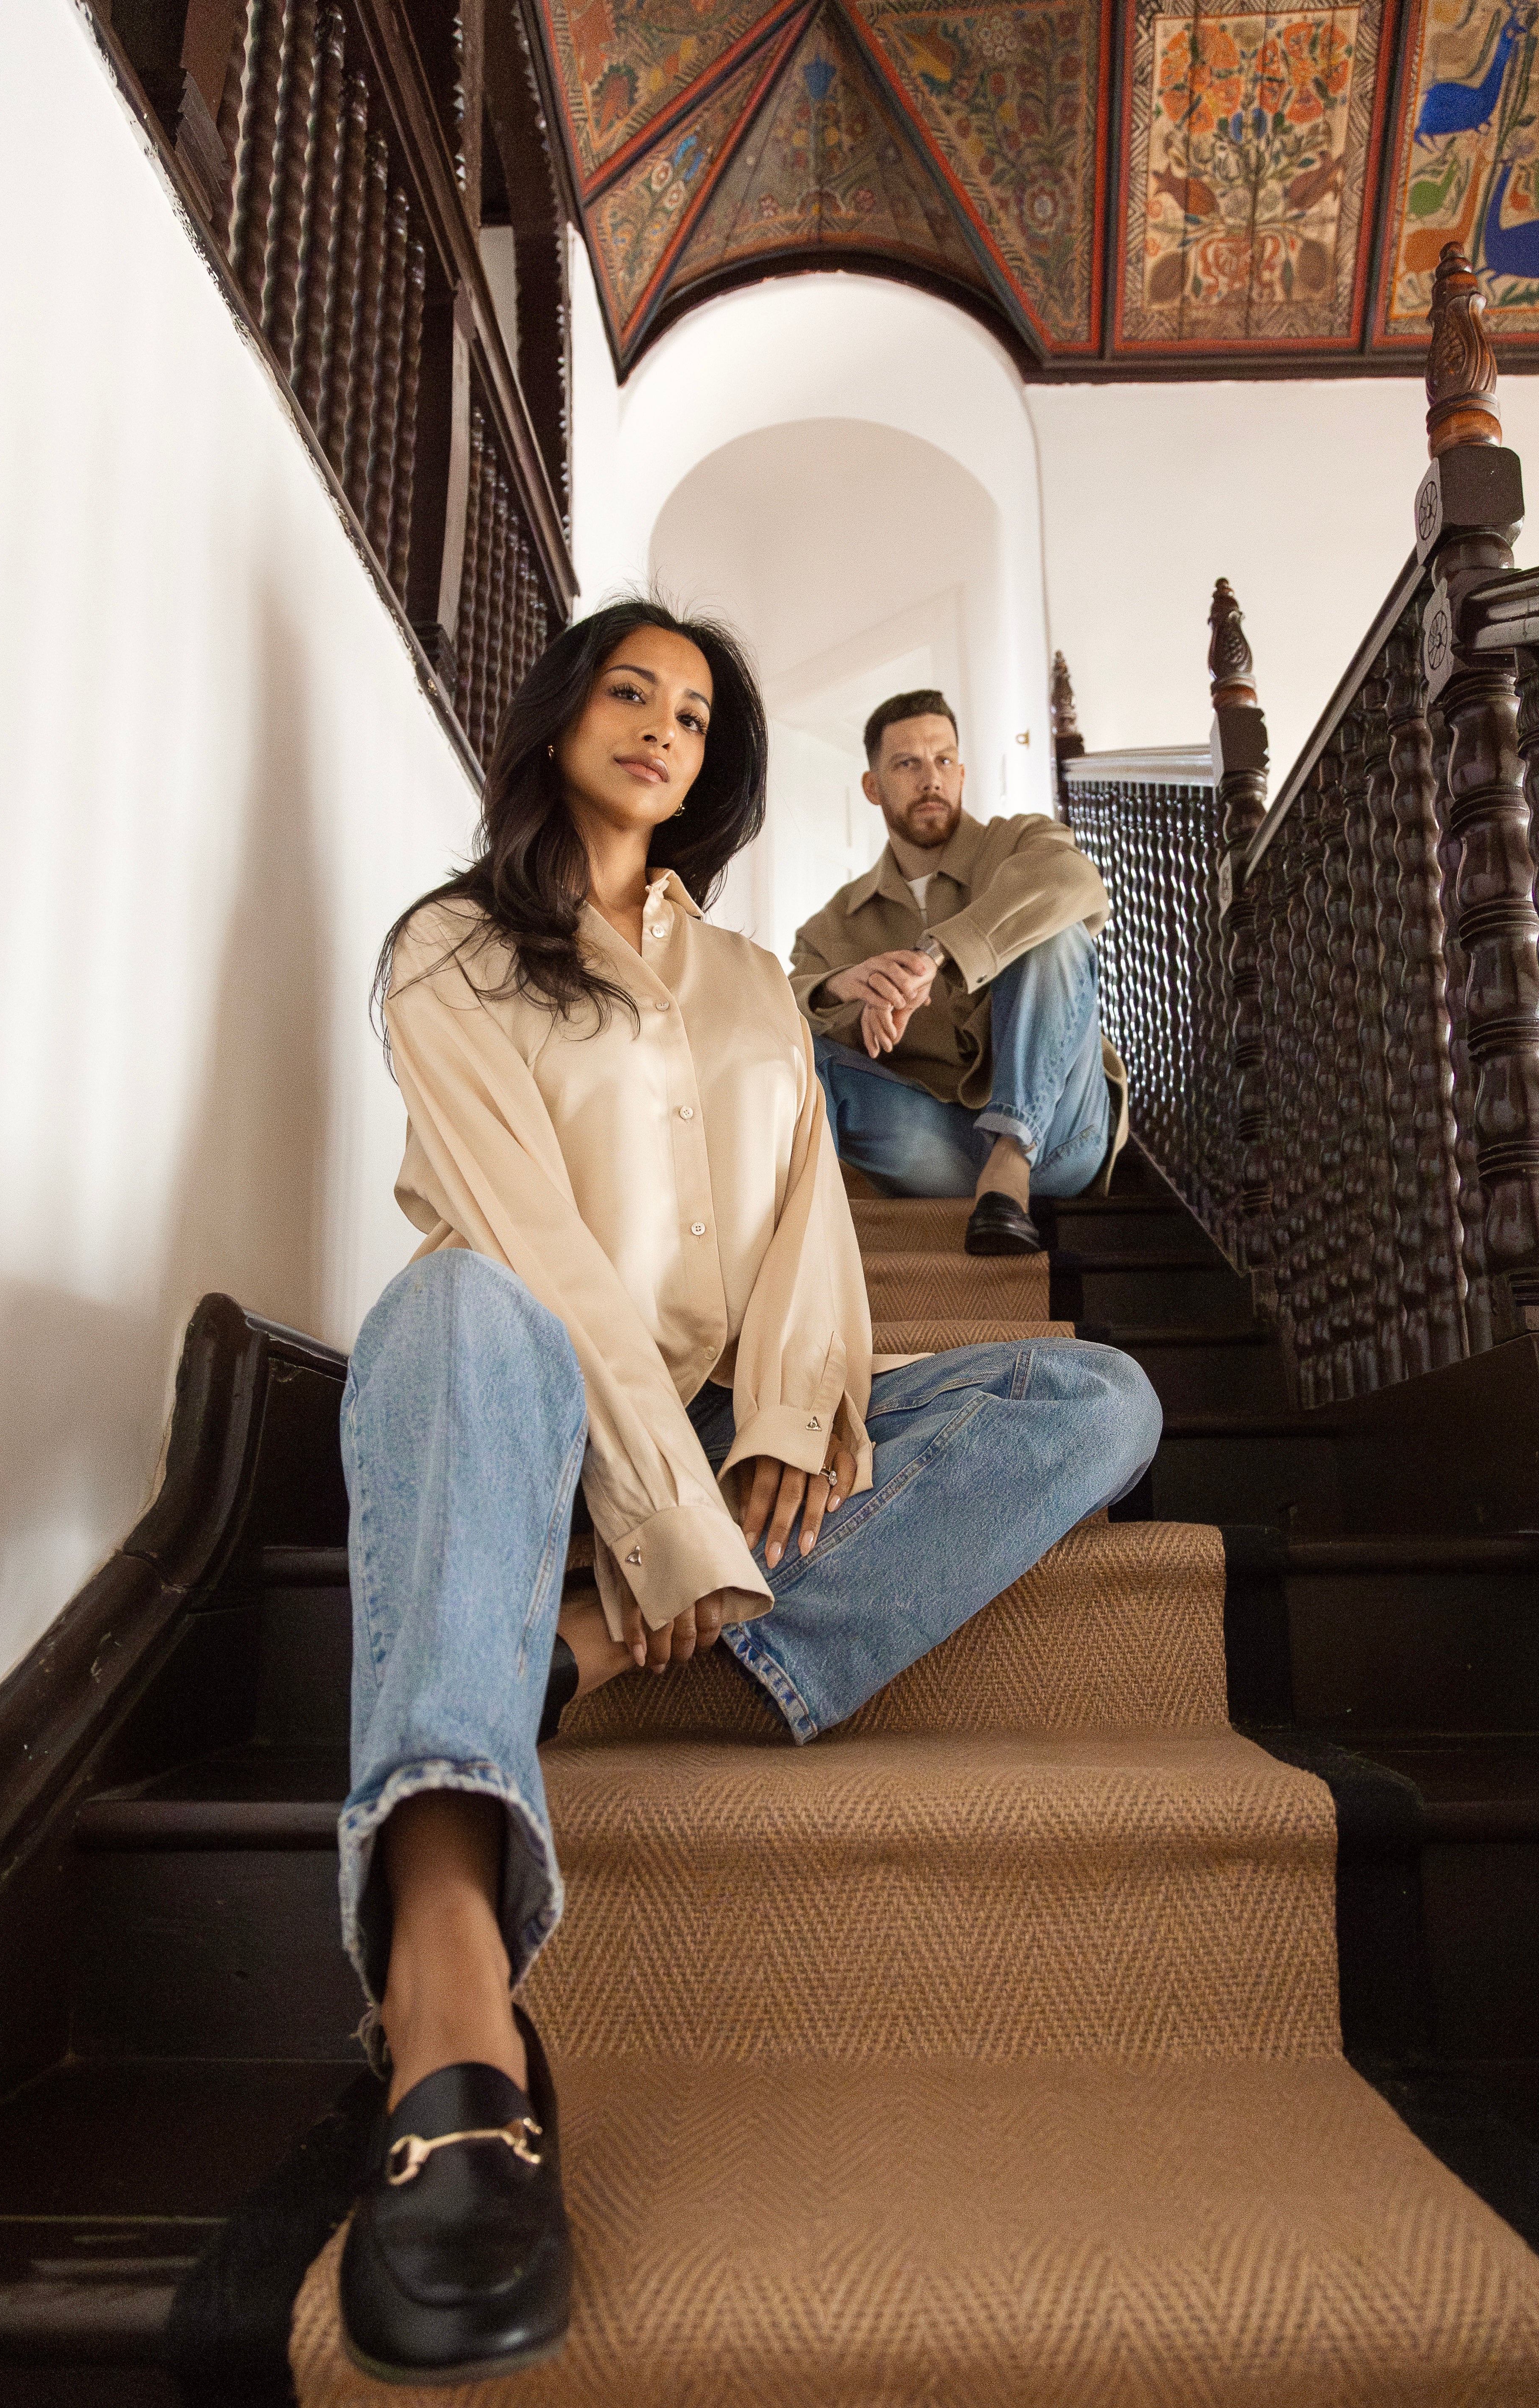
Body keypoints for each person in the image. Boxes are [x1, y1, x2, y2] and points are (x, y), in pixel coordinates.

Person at [333, 601, 1162, 2386]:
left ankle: (595, 1655)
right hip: (529, 1408)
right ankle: (446, 1964)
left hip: (717, 1419)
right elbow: (533, 1249)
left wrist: (794, 1413)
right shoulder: (447, 952)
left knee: (1093, 1395)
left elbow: (800, 1221)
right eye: (626, 690)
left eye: (694, 714)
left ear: (715, 769)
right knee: (454, 1304)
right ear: (561, 716)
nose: (659, 726)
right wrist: (674, 1519)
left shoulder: (733, 980)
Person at [790, 689, 1129, 1255]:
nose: (931, 779)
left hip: (1060, 1135)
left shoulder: (1020, 842)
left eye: (943, 760)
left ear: (962, 771)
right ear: (872, 786)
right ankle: (801, 1254)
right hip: (936, 1145)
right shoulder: (833, 922)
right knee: (794, 1050)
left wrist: (936, 954)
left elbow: (1076, 883)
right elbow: (781, 1001)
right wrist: (843, 987)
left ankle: (1011, 1155)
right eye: (907, 763)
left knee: (1055, 928)